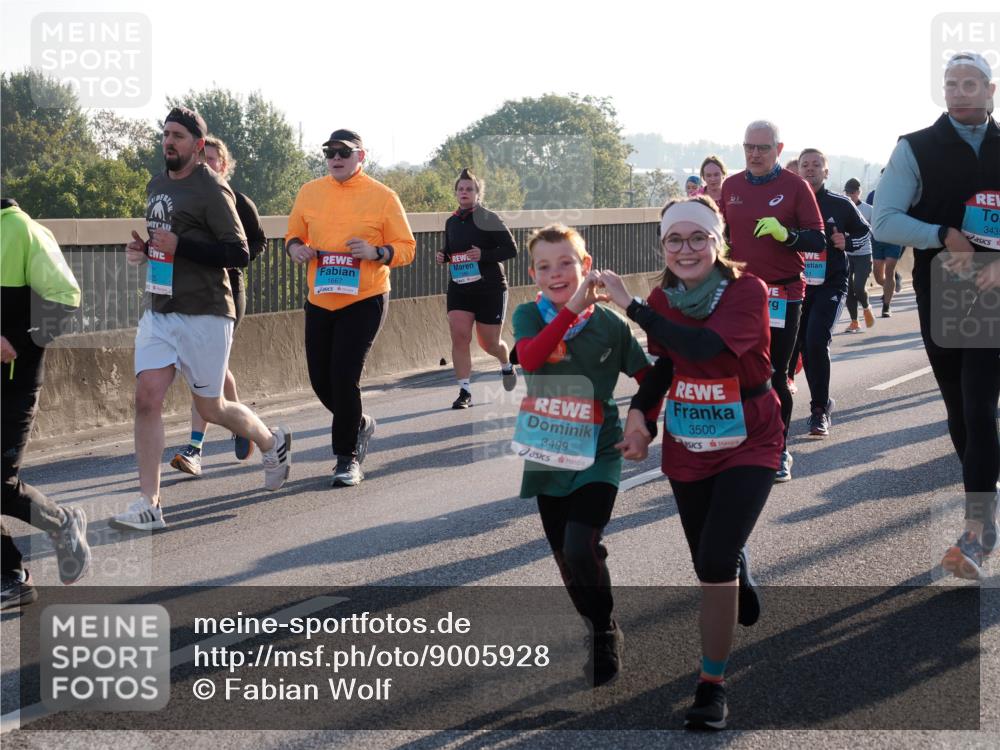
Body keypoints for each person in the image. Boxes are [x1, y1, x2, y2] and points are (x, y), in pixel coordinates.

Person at [601, 196, 781, 730]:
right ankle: (735, 564)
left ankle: (711, 685)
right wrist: (640, 416)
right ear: (663, 247)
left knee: (715, 562)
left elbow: (703, 348)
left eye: (698, 237)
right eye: (674, 240)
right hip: (689, 442)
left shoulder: (748, 290)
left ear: (717, 242)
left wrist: (633, 307)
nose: (686, 249)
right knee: (710, 560)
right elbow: (666, 365)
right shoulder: (664, 298)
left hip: (751, 434)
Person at [113, 107, 291, 531]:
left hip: (206, 312)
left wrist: (182, 246)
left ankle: (271, 441)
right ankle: (150, 504)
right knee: (147, 398)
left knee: (211, 407)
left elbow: (239, 252)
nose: (168, 142)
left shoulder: (212, 188)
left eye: (177, 135)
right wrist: (144, 251)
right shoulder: (156, 184)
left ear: (196, 145)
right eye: (165, 134)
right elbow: (164, 243)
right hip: (160, 309)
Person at [872, 51, 999, 579]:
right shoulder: (915, 147)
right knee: (960, 411)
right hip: (942, 287)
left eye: (970, 83)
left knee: (979, 406)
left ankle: (976, 534)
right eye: (951, 83)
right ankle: (985, 500)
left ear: (990, 91)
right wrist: (941, 235)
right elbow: (884, 219)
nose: (959, 91)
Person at [511, 223, 654, 688]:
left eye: (566, 263)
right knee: (566, 561)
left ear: (586, 265)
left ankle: (604, 632)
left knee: (580, 545)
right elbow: (531, 359)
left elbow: (648, 379)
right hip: (547, 450)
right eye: (544, 267)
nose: (555, 273)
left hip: (599, 451)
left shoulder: (611, 325)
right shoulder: (527, 316)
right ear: (534, 275)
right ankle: (599, 626)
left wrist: (642, 424)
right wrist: (573, 307)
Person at [286, 129, 416, 487]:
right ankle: (358, 422)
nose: (335, 158)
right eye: (329, 152)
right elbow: (293, 235)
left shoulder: (383, 196)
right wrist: (296, 249)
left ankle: (347, 459)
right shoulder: (310, 191)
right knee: (320, 379)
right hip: (321, 297)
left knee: (344, 376)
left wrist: (377, 252)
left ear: (361, 156)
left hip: (364, 298)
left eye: (343, 152)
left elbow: (407, 247)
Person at [720, 121, 825, 481]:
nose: (754, 154)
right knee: (737, 371)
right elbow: (721, 235)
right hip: (741, 294)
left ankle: (779, 449)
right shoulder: (731, 186)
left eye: (763, 148)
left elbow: (817, 240)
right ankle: (743, 441)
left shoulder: (795, 187)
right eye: (749, 147)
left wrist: (787, 235)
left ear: (778, 150)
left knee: (775, 373)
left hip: (783, 293)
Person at [1, 199, 92, 608]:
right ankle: (11, 576)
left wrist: (17, 340)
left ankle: (61, 523)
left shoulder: (21, 230)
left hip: (13, 384)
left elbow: (66, 298)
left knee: (0, 485)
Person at [170, 135, 268, 476]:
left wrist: (230, 260)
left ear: (223, 165)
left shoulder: (238, 201)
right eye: (201, 158)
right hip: (192, 292)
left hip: (227, 292)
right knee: (213, 368)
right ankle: (241, 422)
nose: (204, 164)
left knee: (205, 369)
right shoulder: (185, 200)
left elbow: (258, 242)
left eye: (211, 159)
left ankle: (194, 449)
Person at [794, 149, 871, 437]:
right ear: (798, 170)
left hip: (831, 283)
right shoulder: (789, 202)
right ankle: (815, 403)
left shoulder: (840, 203)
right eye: (805, 165)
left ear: (826, 172)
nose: (810, 169)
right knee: (802, 344)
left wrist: (846, 241)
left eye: (816, 165)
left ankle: (819, 410)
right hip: (796, 284)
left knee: (816, 339)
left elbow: (864, 232)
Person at [436, 168, 517, 409]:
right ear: (456, 193)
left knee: (489, 344)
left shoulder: (489, 218)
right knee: (459, 336)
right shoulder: (451, 221)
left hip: (489, 289)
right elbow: (452, 250)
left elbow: (511, 249)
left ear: (477, 193)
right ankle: (465, 391)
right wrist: (444, 255)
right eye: (460, 189)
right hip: (460, 288)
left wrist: (484, 255)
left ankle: (506, 364)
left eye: (469, 189)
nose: (464, 192)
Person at [867, 170, 905, 315]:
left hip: (894, 238)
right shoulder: (873, 195)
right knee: (878, 276)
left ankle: (886, 307)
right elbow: (868, 216)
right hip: (877, 238)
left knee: (889, 271)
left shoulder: (901, 195)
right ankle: (891, 284)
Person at [842, 177, 876, 332]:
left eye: (853, 192)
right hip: (847, 254)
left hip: (864, 254)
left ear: (859, 192)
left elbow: (874, 231)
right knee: (848, 288)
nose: (850, 195)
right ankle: (854, 322)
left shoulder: (869, 210)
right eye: (848, 192)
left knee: (858, 287)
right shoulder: (842, 206)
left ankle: (866, 307)